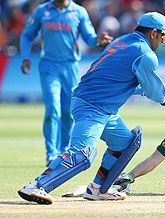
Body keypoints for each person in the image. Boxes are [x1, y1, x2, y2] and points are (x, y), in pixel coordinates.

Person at [18, 11, 165, 205]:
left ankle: (97, 189)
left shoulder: (123, 41)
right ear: (154, 33)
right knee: (82, 155)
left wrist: (159, 92)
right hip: (92, 106)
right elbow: (157, 94)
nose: (163, 41)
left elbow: (121, 82)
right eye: (163, 35)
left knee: (126, 143)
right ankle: (37, 185)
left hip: (100, 107)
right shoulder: (145, 54)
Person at [20, 0, 113, 166]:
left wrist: (98, 39)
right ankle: (51, 153)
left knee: (68, 111)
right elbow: (27, 35)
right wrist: (26, 56)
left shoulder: (79, 12)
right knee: (52, 108)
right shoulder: (42, 11)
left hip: (70, 67)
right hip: (49, 66)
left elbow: (89, 38)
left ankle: (64, 150)